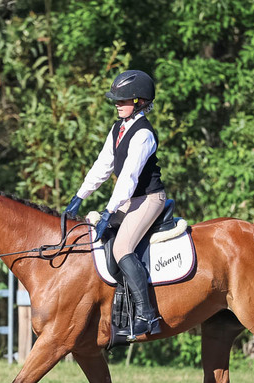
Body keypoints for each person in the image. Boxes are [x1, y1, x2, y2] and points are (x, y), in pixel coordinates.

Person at [64, 69, 165, 337]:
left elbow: (129, 177)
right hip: (130, 199)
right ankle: (118, 308)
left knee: (121, 248)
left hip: (148, 198)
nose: (118, 104)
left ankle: (147, 315)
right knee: (97, 238)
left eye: (124, 100)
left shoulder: (144, 134)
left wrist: (109, 210)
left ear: (140, 101)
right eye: (116, 100)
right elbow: (103, 166)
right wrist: (79, 196)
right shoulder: (118, 128)